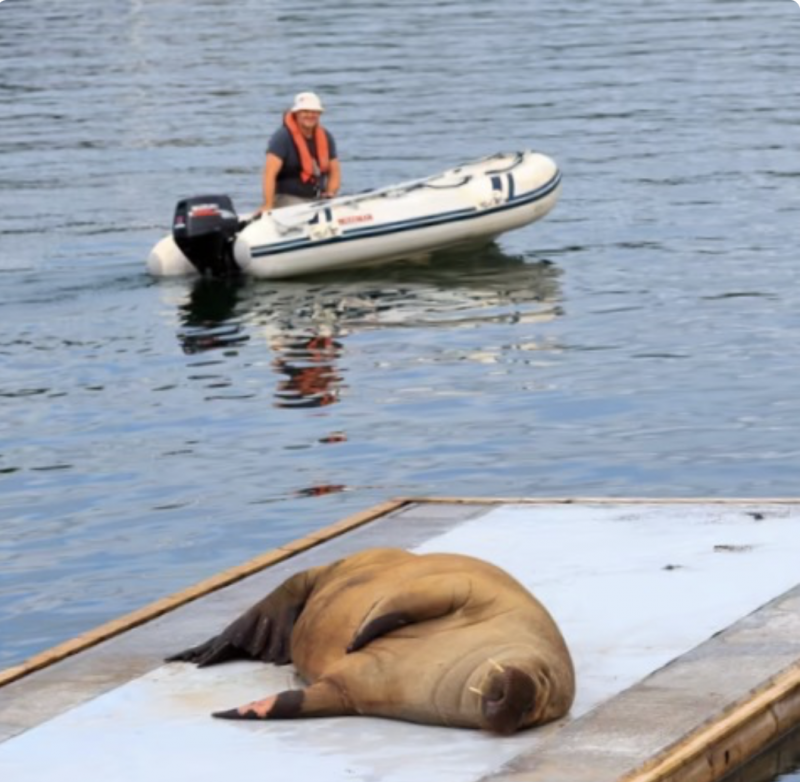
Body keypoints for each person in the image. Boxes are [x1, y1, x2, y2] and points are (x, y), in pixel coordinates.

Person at [259, 92, 341, 212]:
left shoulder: (326, 137)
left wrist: (330, 193)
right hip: (287, 198)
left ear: (319, 114)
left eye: (314, 112)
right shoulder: (282, 138)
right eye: (305, 111)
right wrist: (268, 204)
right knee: (304, 210)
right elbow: (269, 173)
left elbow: (335, 171)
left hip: (316, 198)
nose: (310, 115)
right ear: (296, 114)